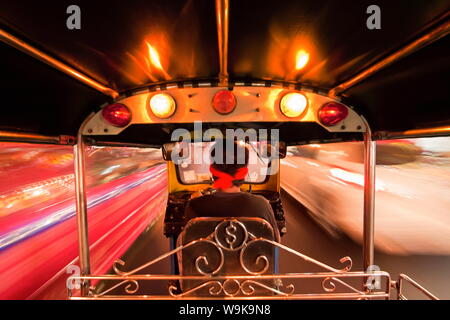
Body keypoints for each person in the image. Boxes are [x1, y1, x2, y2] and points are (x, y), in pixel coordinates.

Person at [184, 139, 279, 237]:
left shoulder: (194, 206)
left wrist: (197, 199)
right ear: (244, 172)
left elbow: (186, 244)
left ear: (213, 172)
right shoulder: (262, 205)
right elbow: (275, 241)